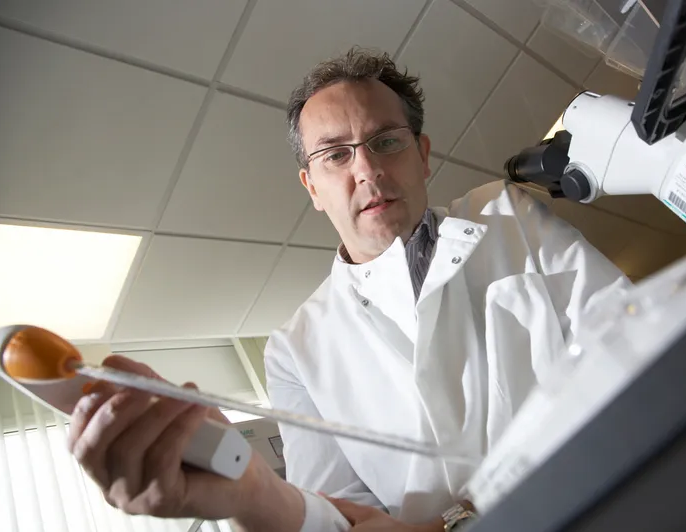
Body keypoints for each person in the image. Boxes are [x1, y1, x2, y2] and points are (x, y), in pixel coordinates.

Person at [68, 48, 630, 531]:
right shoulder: (295, 350)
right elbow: (340, 514)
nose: (366, 169)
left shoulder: (506, 214)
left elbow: (632, 341)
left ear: (423, 155)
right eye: (335, 154)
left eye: (386, 141)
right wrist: (249, 493)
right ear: (312, 187)